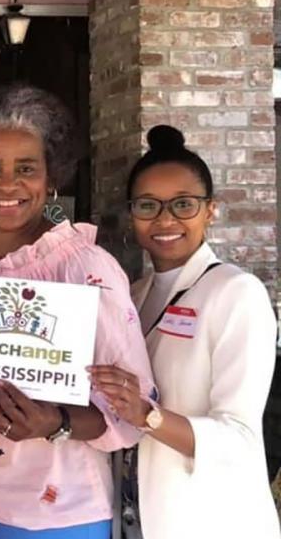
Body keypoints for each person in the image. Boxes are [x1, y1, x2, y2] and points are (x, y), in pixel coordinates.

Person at [0, 85, 153, 538]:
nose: (8, 185)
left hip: (55, 513)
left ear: (51, 178)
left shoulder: (86, 269)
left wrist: (56, 421)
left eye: (26, 169)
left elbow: (127, 411)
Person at [90, 125, 281, 539]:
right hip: (135, 516)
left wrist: (147, 415)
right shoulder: (133, 297)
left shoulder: (235, 293)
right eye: (147, 206)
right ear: (132, 213)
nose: (165, 220)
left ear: (210, 210)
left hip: (207, 520)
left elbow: (240, 437)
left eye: (183, 205)